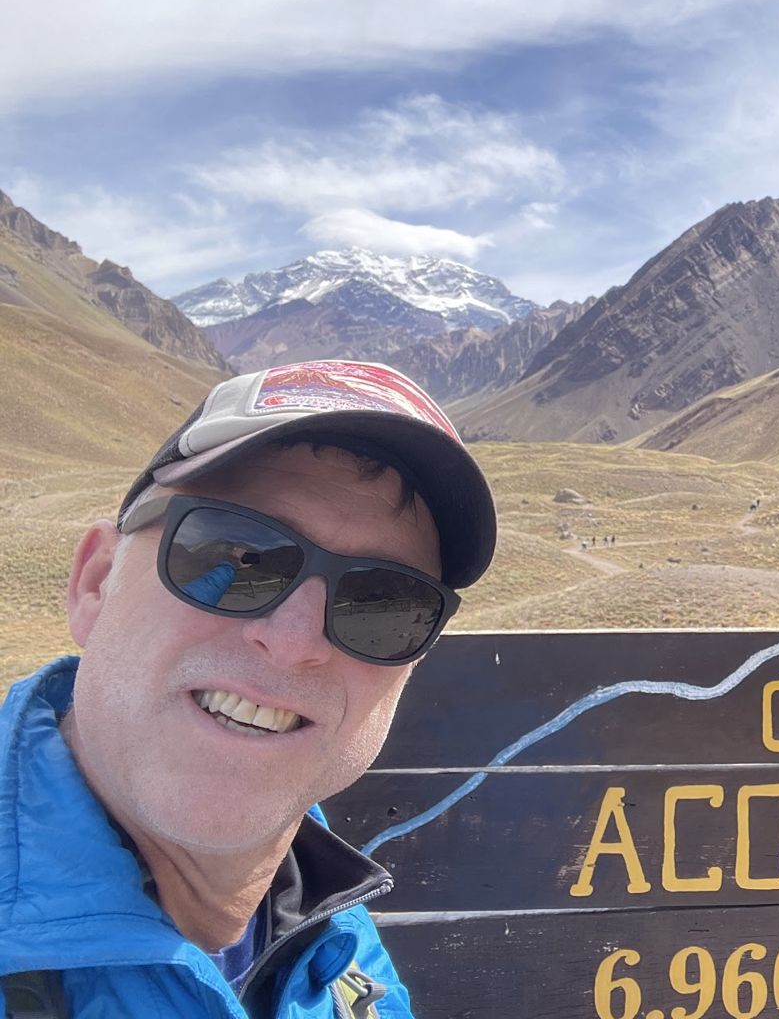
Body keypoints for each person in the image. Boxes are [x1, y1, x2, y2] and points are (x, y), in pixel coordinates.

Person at [0, 360, 497, 1017]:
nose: (294, 641)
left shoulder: (341, 946)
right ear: (95, 583)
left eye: (382, 603)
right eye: (236, 556)